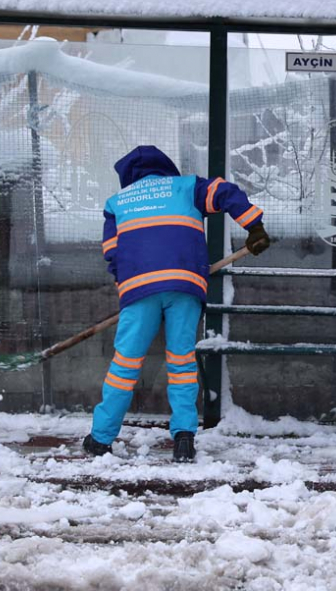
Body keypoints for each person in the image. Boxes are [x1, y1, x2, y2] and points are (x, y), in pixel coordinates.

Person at [83, 145, 271, 462]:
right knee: (181, 362)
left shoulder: (116, 203)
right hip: (185, 284)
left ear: (128, 177)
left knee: (124, 366)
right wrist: (254, 226)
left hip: (139, 288)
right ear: (164, 168)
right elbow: (225, 192)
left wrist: (126, 286)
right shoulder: (187, 187)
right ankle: (184, 437)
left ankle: (101, 439)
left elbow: (112, 253)